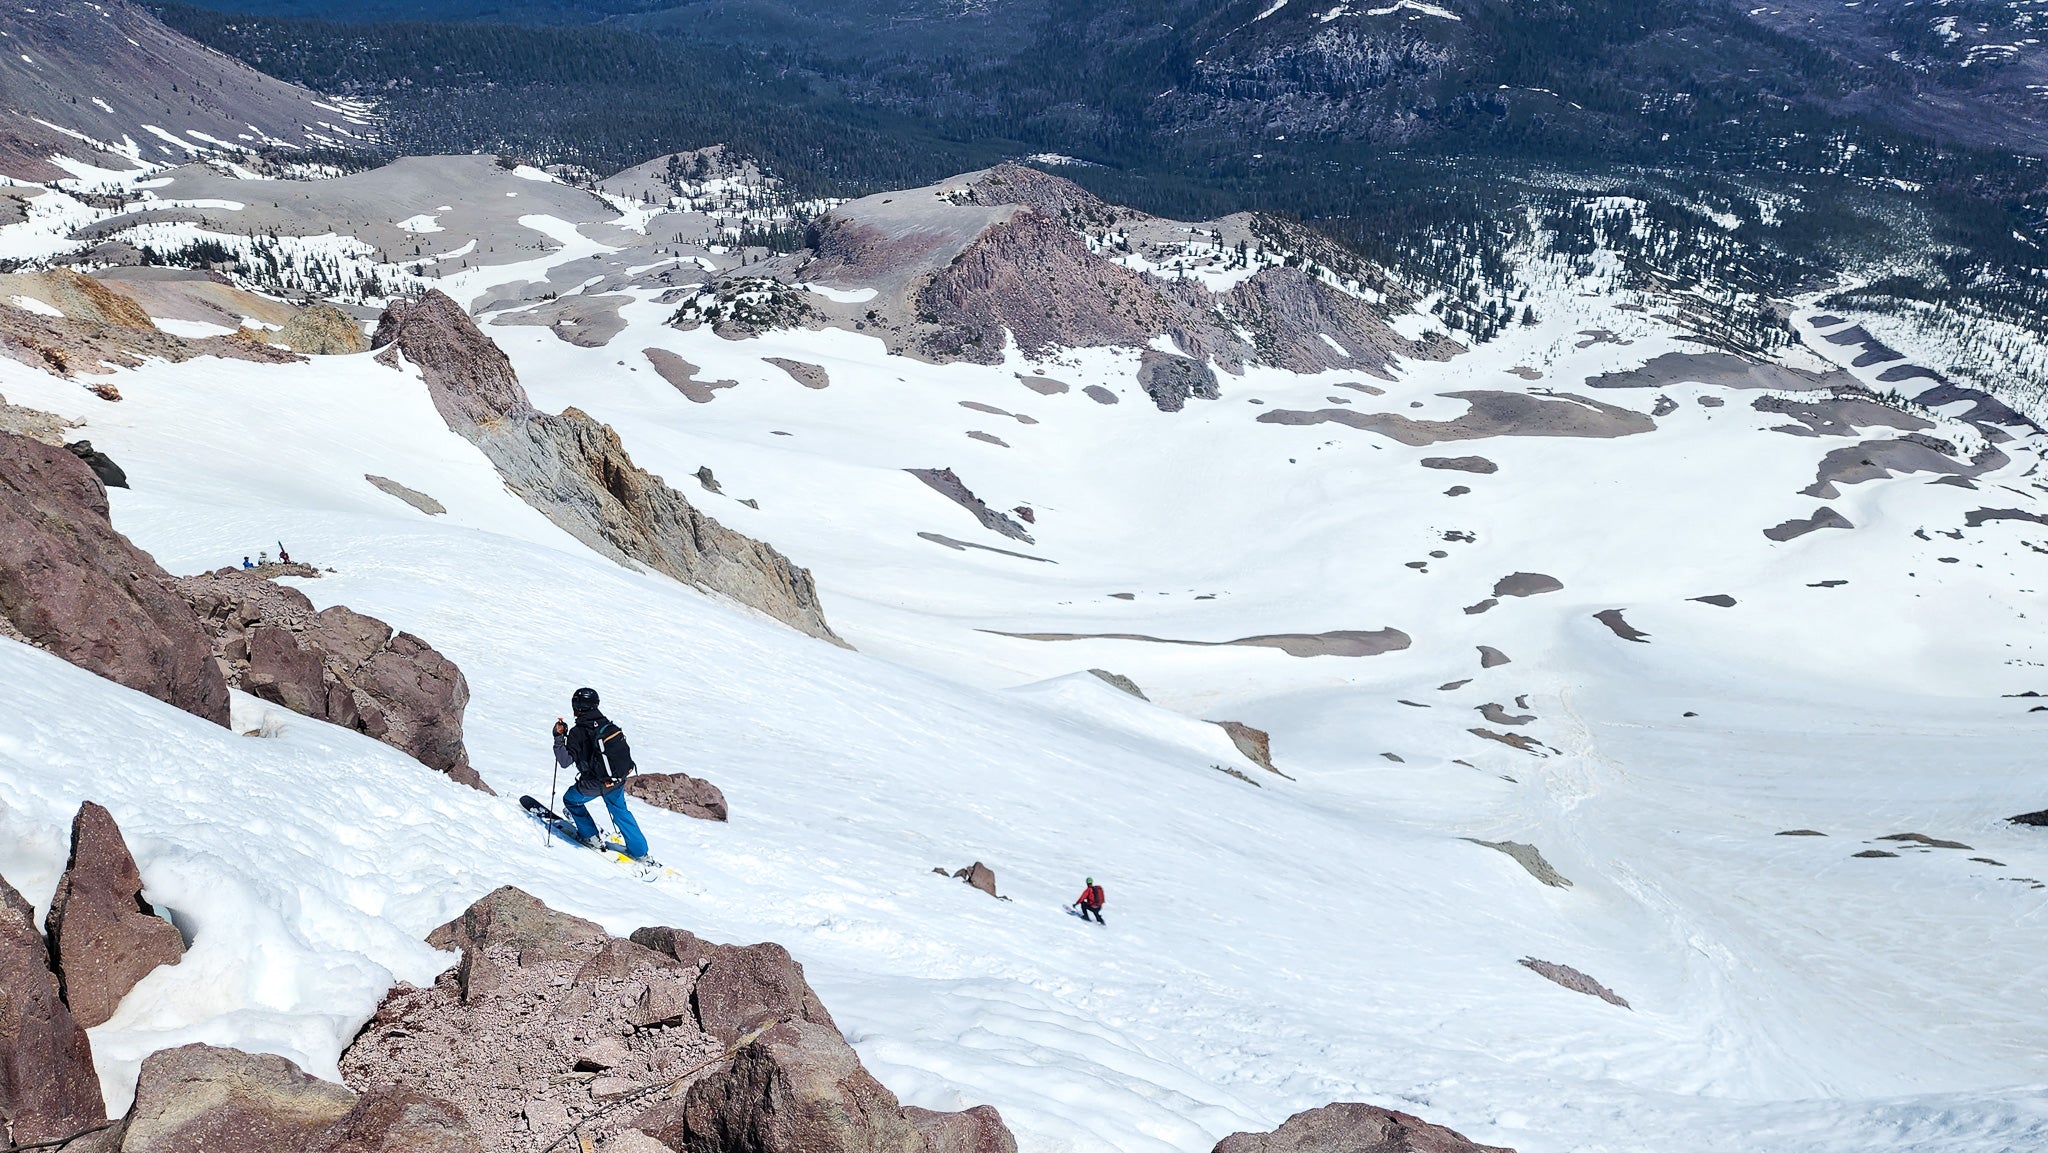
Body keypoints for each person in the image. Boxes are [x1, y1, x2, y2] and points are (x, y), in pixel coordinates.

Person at [550, 687, 649, 860]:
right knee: (620, 812)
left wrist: (559, 738)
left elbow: (565, 762)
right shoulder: (606, 724)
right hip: (617, 779)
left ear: (577, 707)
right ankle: (640, 851)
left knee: (571, 800)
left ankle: (590, 836)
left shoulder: (577, 732)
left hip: (594, 783)